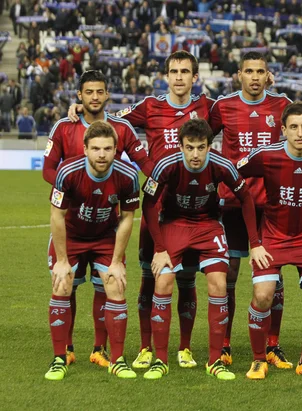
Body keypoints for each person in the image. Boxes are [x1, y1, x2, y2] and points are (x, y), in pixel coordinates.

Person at [70, 51, 215, 369]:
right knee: (150, 278)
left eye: (185, 71)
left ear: (194, 77)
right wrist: (81, 112)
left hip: (191, 208)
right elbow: (112, 125)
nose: (179, 77)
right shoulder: (150, 107)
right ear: (166, 76)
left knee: (187, 280)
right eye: (173, 71)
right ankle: (146, 347)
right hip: (155, 204)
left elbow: (239, 116)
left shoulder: (207, 107)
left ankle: (185, 348)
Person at [141, 119, 270, 380]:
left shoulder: (222, 165)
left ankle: (214, 361)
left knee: (219, 284)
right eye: (189, 148)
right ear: (180, 146)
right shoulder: (166, 165)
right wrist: (159, 247)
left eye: (201, 147)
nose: (195, 154)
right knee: (163, 281)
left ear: (211, 146)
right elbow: (149, 204)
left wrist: (255, 243)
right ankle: (161, 360)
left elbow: (245, 197)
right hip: (174, 225)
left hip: (208, 226)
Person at [43, 70, 152, 368]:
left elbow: (144, 164)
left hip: (105, 227)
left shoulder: (121, 128)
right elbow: (48, 171)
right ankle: (64, 347)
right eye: (88, 92)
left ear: (106, 95)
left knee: (109, 284)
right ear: (79, 95)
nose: (94, 97)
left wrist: (168, 176)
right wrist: (79, 189)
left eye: (99, 92)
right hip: (73, 223)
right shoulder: (65, 127)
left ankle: (101, 349)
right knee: (69, 283)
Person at [236, 102, 302, 380]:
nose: (299, 133)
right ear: (282, 130)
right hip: (272, 237)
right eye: (293, 127)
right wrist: (254, 241)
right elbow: (234, 176)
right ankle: (259, 359)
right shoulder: (266, 155)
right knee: (262, 295)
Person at [209, 51, 292, 368]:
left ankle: (273, 345)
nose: (255, 77)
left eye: (261, 71)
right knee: (229, 272)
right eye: (249, 71)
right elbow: (202, 139)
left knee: (274, 275)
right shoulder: (224, 106)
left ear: (268, 75)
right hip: (231, 203)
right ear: (238, 74)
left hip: (271, 205)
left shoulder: (281, 106)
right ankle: (226, 344)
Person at [45, 121, 140, 380]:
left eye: (107, 148)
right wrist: (62, 260)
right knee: (62, 284)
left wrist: (117, 260)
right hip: (71, 235)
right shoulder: (68, 171)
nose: (101, 154)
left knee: (115, 284)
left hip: (105, 237)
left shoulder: (128, 175)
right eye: (96, 148)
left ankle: (114, 358)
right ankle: (60, 357)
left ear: (115, 149)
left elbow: (127, 218)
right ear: (85, 148)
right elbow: (57, 215)